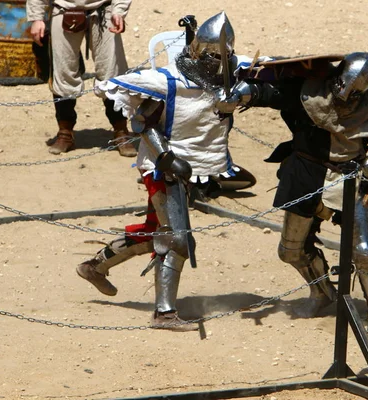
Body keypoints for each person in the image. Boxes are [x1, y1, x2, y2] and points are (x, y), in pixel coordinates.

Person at [75, 12, 257, 331]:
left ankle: (94, 266)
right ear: (202, 54)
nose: (220, 63)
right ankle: (164, 313)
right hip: (162, 169)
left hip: (192, 166)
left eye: (224, 57)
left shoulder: (224, 76)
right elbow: (142, 122)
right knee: (176, 239)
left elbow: (263, 74)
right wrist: (168, 158)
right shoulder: (168, 81)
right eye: (215, 57)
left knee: (155, 230)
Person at [215, 52, 368, 334]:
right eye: (342, 89)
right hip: (305, 173)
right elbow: (270, 92)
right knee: (291, 250)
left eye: (354, 93)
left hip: (348, 178)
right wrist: (242, 95)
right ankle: (322, 293)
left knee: (364, 248)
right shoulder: (308, 90)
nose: (346, 97)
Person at [26, 0, 137, 157]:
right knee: (63, 72)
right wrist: (37, 18)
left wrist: (119, 11)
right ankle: (65, 132)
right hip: (63, 10)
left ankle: (121, 131)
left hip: (104, 11)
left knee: (112, 73)